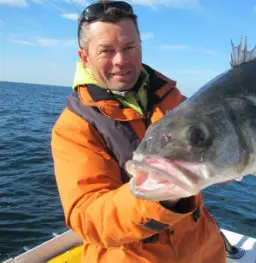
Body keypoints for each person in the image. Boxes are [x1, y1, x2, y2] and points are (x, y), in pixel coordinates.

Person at [51, 1, 226, 262]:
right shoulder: (74, 127)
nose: (121, 60)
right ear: (85, 57)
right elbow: (87, 219)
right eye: (106, 51)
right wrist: (160, 196)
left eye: (129, 47)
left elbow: (219, 150)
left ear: (141, 46)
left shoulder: (174, 99)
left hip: (205, 249)